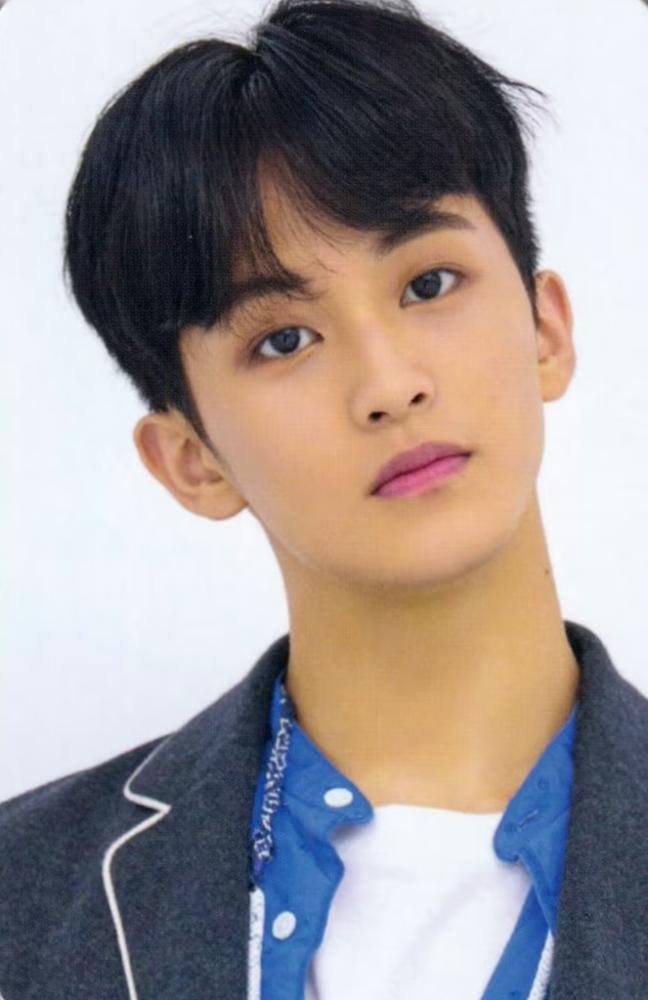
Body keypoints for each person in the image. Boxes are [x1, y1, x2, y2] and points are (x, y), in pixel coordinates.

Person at [2, 0, 648, 997]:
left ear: (546, 331)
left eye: (429, 283)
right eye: (283, 340)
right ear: (192, 461)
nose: (388, 385)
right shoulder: (25, 896)